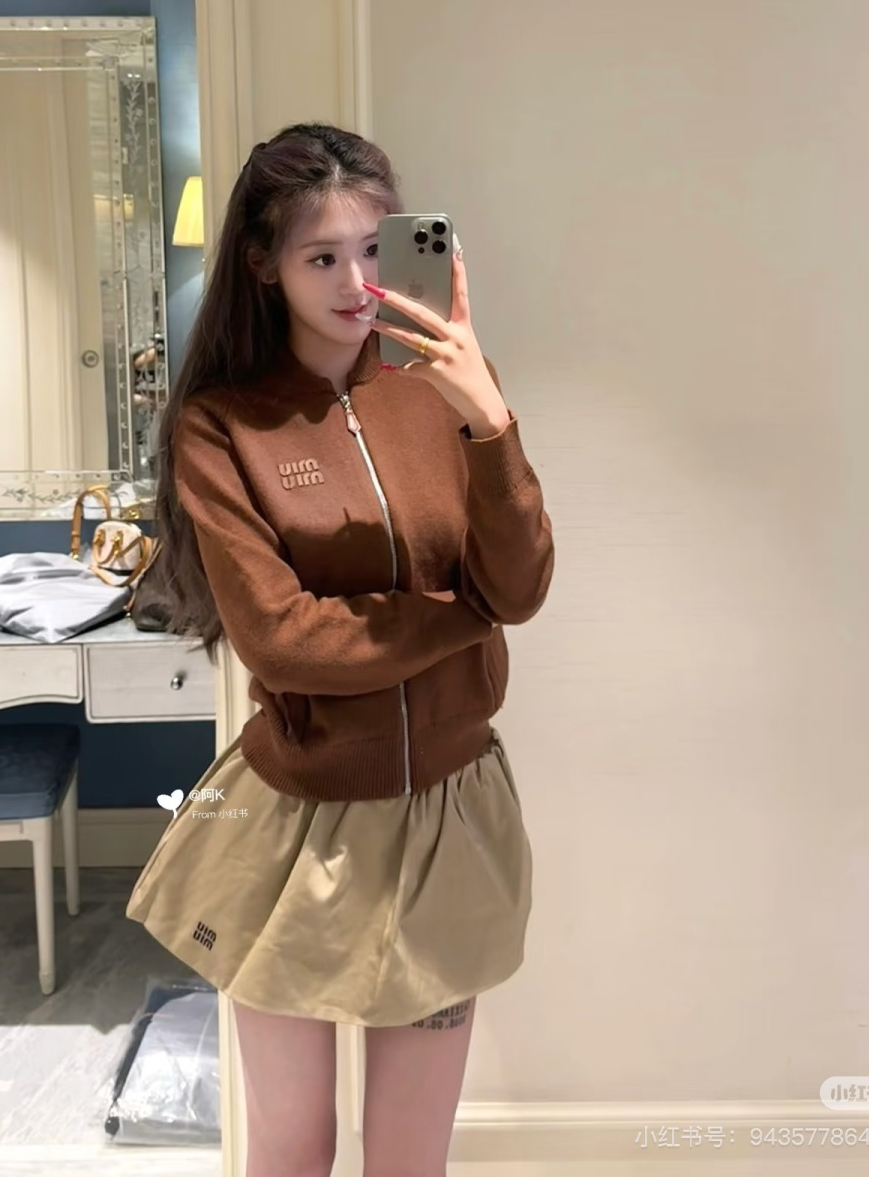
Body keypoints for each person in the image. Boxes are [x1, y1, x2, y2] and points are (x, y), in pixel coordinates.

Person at [126, 123, 555, 1177]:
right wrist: (463, 614)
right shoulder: (221, 427)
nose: (358, 283)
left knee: (409, 1156)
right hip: (296, 829)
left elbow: (523, 583)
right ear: (263, 264)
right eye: (322, 257)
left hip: (449, 818)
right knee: (291, 1149)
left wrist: (487, 417)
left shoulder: (447, 392)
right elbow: (284, 641)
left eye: (374, 248)